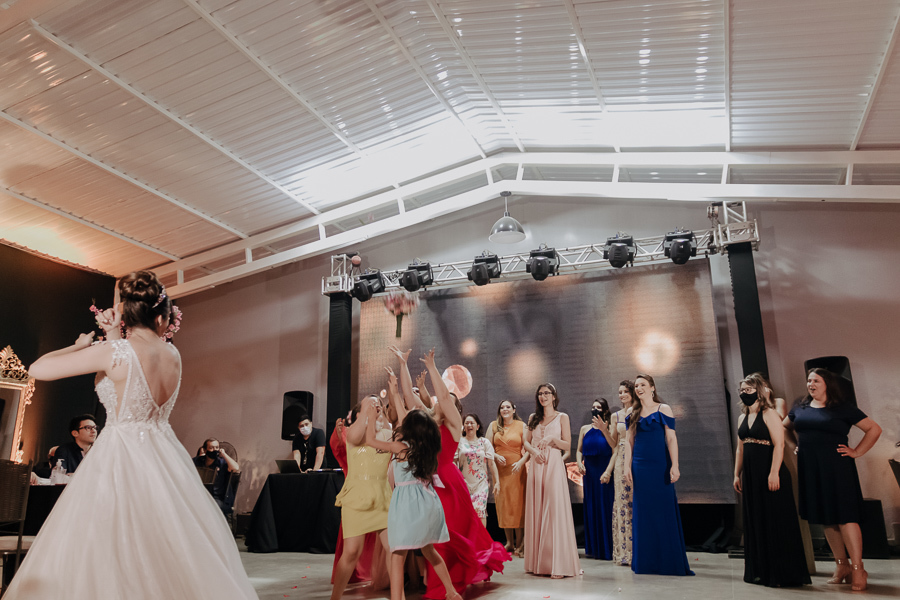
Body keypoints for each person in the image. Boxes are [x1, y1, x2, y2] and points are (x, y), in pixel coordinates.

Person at [6, 270, 257, 599]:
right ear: (161, 316)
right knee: (161, 546)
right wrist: (112, 335)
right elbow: (129, 378)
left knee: (112, 544)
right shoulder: (172, 355)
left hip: (120, 452)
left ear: (127, 313)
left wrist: (78, 345)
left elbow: (37, 369)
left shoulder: (117, 353)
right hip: (163, 453)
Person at [390, 347, 509, 599]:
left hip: (449, 483)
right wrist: (403, 364)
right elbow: (412, 402)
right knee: (435, 536)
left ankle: (446, 585)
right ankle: (439, 581)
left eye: (448, 401)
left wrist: (433, 367)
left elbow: (444, 398)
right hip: (428, 482)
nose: (443, 401)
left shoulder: (454, 425)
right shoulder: (429, 424)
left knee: (447, 533)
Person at [785, 368, 882, 592]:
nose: (811, 384)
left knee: (845, 517)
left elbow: (874, 429)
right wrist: (795, 447)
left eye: (816, 380)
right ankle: (842, 567)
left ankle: (858, 569)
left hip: (838, 468)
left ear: (827, 384)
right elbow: (785, 428)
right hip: (811, 469)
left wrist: (857, 451)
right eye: (809, 380)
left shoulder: (842, 407)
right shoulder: (800, 405)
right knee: (827, 518)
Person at [364, 407, 461, 600]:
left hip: (408, 505)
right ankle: (451, 592)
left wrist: (371, 416)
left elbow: (370, 441)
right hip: (428, 503)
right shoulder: (428, 449)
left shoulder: (401, 447)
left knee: (398, 556)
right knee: (429, 551)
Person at [734, 373, 810, 587]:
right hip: (749, 473)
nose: (743, 393)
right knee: (756, 519)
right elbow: (740, 449)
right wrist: (735, 474)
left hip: (769, 471)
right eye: (742, 390)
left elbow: (779, 445)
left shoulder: (769, 414)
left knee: (774, 519)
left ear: (759, 391)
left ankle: (781, 572)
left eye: (748, 389)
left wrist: (774, 472)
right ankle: (760, 570)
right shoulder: (741, 417)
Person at [624, 374, 693, 576]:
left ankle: (668, 562)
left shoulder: (664, 409)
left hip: (660, 466)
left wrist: (675, 465)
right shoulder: (632, 412)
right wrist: (627, 466)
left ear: (652, 387)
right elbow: (629, 441)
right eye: (636, 385)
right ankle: (646, 562)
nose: (638, 388)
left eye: (643, 385)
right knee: (643, 513)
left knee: (663, 511)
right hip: (639, 466)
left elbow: (671, 439)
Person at [331, 394, 392, 600]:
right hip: (357, 498)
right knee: (351, 553)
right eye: (370, 402)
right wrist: (366, 412)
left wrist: (376, 414)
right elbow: (358, 438)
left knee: (393, 550)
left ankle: (398, 595)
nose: (375, 405)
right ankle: (336, 597)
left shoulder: (387, 433)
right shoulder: (351, 432)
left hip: (383, 498)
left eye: (378, 404)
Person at [523, 383, 581, 579]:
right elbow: (525, 441)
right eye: (540, 393)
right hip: (537, 465)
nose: (543, 396)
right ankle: (537, 563)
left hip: (554, 464)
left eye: (547, 393)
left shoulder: (562, 417)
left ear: (554, 396)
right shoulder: (533, 418)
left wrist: (551, 441)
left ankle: (558, 563)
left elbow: (567, 447)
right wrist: (534, 452)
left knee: (553, 510)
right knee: (537, 509)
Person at [576, 398, 615, 560]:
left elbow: (614, 449)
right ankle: (594, 548)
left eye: (599, 407)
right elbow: (579, 450)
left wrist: (608, 471)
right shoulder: (584, 429)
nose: (595, 409)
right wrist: (579, 463)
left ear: (605, 410)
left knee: (605, 506)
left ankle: (608, 547)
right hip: (589, 474)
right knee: (591, 507)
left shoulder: (611, 428)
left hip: (604, 472)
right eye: (593, 407)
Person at [488, 400, 528, 557]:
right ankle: (509, 543)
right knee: (503, 504)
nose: (505, 409)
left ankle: (520, 543)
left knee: (517, 505)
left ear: (513, 409)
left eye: (508, 407)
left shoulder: (521, 425)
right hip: (500, 472)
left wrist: (520, 462)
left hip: (517, 470)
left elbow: (528, 447)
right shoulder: (493, 425)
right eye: (502, 407)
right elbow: (487, 446)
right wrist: (496, 455)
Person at [456, 413, 500, 526]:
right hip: (463, 483)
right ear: (463, 426)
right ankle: (468, 542)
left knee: (480, 510)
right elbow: (454, 462)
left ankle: (481, 542)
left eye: (472, 423)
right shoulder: (459, 442)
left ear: (478, 426)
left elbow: (491, 463)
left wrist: (497, 482)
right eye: (467, 423)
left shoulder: (484, 442)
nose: (469, 425)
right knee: (466, 513)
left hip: (481, 483)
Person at [610, 380, 635, 566]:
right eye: (620, 392)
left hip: (637, 457)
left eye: (625, 391)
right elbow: (613, 444)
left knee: (637, 501)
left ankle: (640, 549)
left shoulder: (639, 411)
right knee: (623, 502)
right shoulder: (615, 416)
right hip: (620, 458)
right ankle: (625, 552)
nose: (622, 394)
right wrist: (604, 430)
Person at [192, 438, 240, 515]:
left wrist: (224, 454)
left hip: (218, 498)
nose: (215, 450)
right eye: (211, 448)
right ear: (205, 450)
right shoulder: (198, 461)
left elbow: (236, 468)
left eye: (217, 447)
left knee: (209, 507)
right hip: (200, 495)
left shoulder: (221, 462)